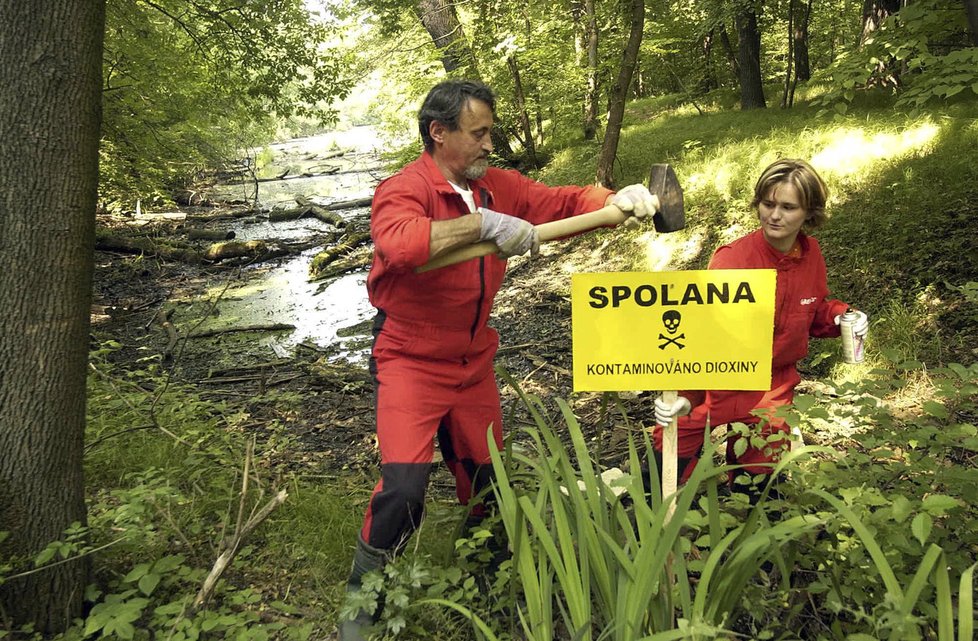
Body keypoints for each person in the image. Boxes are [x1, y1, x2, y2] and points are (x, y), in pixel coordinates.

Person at [339, 79, 657, 640]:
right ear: (439, 133)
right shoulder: (404, 189)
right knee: (404, 489)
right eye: (479, 133)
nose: (490, 144)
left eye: (490, 132)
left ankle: (485, 575)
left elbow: (556, 201)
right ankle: (365, 605)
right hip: (410, 356)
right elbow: (401, 244)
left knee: (487, 481)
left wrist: (612, 201)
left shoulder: (497, 184)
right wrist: (482, 224)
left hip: (473, 360)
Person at [650, 158, 869, 500]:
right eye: (768, 204)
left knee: (763, 474)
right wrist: (684, 395)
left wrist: (840, 315)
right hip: (716, 376)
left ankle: (755, 534)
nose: (774, 215)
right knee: (671, 450)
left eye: (787, 207)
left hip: (772, 382)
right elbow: (700, 329)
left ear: (809, 212)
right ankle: (659, 524)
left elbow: (811, 309)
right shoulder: (733, 259)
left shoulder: (811, 254)